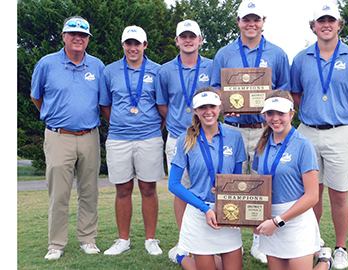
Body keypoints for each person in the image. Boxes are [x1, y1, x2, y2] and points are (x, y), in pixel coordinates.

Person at [290, 2, 348, 268]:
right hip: (307, 133)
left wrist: (345, 119)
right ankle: (311, 244)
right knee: (310, 194)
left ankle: (340, 247)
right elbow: (295, 96)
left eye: (331, 20)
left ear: (339, 25)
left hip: (340, 133)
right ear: (313, 26)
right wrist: (313, 115)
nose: (326, 25)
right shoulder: (301, 58)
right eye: (321, 21)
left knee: (339, 195)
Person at [210, 0, 291, 262]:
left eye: (256, 19)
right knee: (232, 183)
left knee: (261, 183)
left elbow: (285, 93)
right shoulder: (224, 53)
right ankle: (232, 241)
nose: (251, 24)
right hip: (232, 129)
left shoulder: (278, 53)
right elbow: (215, 90)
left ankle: (259, 241)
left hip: (264, 129)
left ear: (263, 22)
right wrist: (225, 105)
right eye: (246, 19)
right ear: (238, 22)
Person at [30, 16, 104, 260]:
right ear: (63, 36)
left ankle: (87, 239)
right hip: (58, 135)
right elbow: (36, 97)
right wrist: (55, 116)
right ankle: (56, 244)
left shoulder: (97, 66)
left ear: (88, 40)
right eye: (72, 34)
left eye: (83, 35)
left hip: (89, 135)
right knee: (59, 193)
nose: (77, 38)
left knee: (89, 191)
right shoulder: (47, 64)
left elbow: (102, 101)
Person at [99, 25, 165, 256]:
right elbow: (105, 105)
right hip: (119, 138)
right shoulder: (110, 71)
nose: (133, 48)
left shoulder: (157, 71)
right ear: (123, 45)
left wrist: (149, 127)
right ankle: (123, 239)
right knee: (123, 189)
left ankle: (151, 239)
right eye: (129, 43)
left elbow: (162, 107)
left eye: (137, 43)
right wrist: (121, 123)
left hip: (149, 137)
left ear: (145, 45)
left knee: (148, 188)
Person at [168, 86, 246, 270]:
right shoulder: (185, 139)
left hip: (226, 211)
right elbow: (174, 184)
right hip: (199, 212)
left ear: (220, 107)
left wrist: (237, 211)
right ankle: (182, 256)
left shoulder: (235, 136)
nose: (208, 111)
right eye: (203, 107)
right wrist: (205, 209)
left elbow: (237, 179)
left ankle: (185, 255)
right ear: (195, 111)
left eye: (212, 106)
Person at [252, 91, 332, 270]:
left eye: (281, 113)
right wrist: (254, 218)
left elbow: (312, 196)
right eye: (270, 113)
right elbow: (260, 185)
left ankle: (325, 262)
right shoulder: (262, 144)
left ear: (291, 114)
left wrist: (277, 221)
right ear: (264, 115)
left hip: (296, 221)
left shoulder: (304, 145)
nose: (275, 118)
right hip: (270, 219)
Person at [156, 19, 214, 263]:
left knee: (210, 188)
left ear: (200, 40)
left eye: (193, 36)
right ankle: (185, 242)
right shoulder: (165, 70)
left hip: (209, 138)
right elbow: (162, 105)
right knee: (181, 190)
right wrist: (186, 128)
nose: (188, 40)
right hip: (179, 138)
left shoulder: (212, 66)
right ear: (177, 41)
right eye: (184, 37)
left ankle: (211, 240)